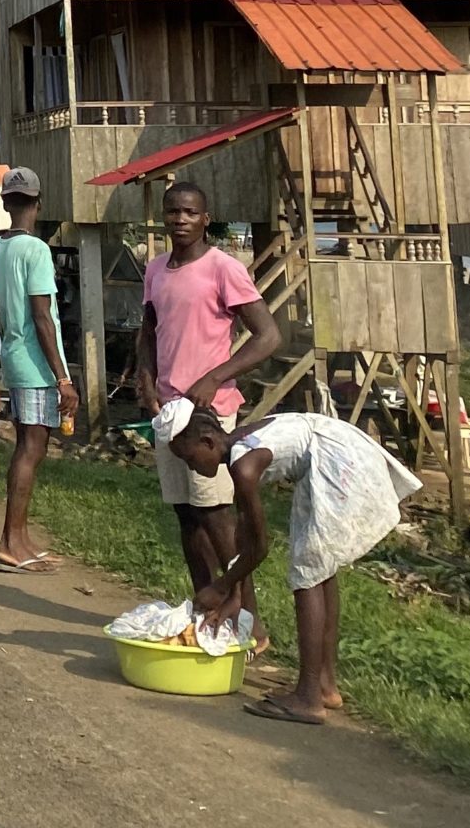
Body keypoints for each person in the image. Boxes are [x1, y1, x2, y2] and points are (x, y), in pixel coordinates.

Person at [166, 403, 422, 724]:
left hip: (339, 464)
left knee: (308, 572)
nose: (191, 467)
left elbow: (260, 548)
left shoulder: (243, 468)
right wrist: (234, 596)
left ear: (207, 442)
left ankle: (308, 697)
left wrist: (221, 585)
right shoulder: (241, 443)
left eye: (190, 459)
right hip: (328, 457)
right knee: (318, 567)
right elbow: (245, 537)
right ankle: (325, 685)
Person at [136, 181, 282, 644]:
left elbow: (267, 337)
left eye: (189, 212)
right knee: (186, 515)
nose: (180, 219)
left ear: (205, 217)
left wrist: (216, 376)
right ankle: (205, 608)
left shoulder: (224, 268)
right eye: (173, 211)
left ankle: (249, 619)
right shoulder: (156, 269)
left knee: (219, 516)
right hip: (169, 412)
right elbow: (149, 329)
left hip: (210, 416)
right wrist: (144, 379)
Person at [0, 167, 78, 571]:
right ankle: (10, 541)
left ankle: (19, 538)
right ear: (38, 204)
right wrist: (63, 378)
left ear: (6, 202)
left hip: (15, 355)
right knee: (32, 449)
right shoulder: (37, 250)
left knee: (27, 445)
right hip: (38, 364)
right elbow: (43, 317)